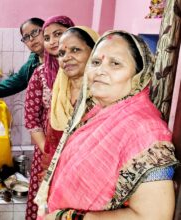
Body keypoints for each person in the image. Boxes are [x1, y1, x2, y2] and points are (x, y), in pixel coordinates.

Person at [35, 31, 179, 220]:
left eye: (115, 63)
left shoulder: (145, 131)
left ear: (139, 73)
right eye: (95, 62)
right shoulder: (95, 113)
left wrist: (69, 217)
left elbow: (155, 216)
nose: (100, 71)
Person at [24, 16, 75, 220]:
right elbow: (31, 121)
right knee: (44, 202)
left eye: (58, 34)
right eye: (47, 37)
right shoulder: (40, 74)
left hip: (77, 151)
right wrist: (51, 154)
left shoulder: (88, 72)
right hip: (48, 151)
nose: (53, 41)